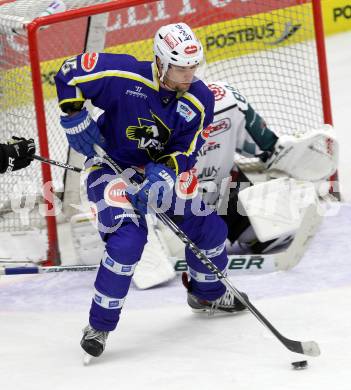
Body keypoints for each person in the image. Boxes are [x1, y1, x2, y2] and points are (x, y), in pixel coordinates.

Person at [54, 23, 248, 360]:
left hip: (161, 174)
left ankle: (208, 294)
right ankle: (99, 325)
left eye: (193, 67)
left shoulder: (199, 98)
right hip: (111, 167)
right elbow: (68, 72)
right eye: (180, 67)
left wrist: (166, 172)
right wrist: (74, 116)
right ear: (160, 61)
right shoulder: (123, 74)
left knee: (211, 230)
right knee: (127, 241)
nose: (188, 75)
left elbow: (190, 147)